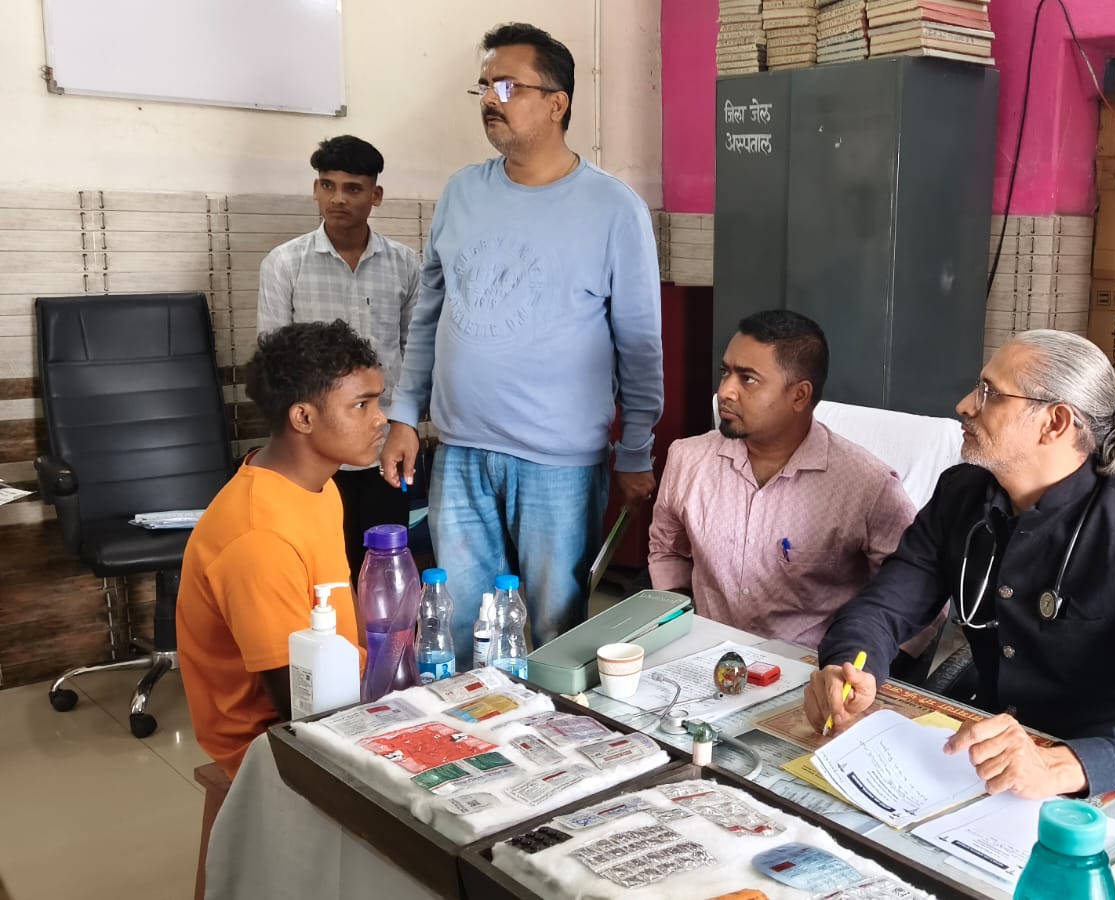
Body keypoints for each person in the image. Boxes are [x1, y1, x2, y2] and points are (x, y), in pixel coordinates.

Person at [803, 330, 1115, 799]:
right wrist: (849, 668)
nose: (964, 405)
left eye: (989, 392)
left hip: (1114, 783)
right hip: (990, 770)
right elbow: (882, 608)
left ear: (1055, 422)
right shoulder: (961, 495)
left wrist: (1062, 764)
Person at [380, 23, 664, 661]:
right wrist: (403, 416)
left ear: (557, 102)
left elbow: (640, 345)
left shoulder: (613, 208)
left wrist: (635, 450)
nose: (490, 98)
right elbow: (428, 314)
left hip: (558, 462)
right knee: (460, 630)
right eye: (484, 85)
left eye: (507, 86)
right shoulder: (462, 193)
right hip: (460, 450)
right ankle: (472, 722)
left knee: (558, 634)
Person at [176, 321, 384, 777]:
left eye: (378, 402)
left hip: (344, 697)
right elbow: (298, 705)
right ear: (303, 418)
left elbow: (339, 604)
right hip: (268, 743)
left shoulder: (317, 486)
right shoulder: (258, 538)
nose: (380, 419)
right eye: (361, 405)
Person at [648, 310, 917, 648]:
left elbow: (914, 592)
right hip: (704, 656)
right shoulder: (687, 460)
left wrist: (864, 663)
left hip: (810, 668)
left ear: (799, 395)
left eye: (748, 379)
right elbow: (667, 549)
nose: (725, 391)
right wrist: (679, 623)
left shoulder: (866, 485)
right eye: (725, 372)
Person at [256, 134, 421, 580]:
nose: (338, 199)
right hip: (312, 453)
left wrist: (406, 426)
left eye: (352, 188)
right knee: (320, 574)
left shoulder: (406, 266)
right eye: (327, 186)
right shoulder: (284, 264)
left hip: (383, 445)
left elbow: (416, 353)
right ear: (315, 189)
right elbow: (273, 363)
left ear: (375, 195)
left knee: (384, 569)